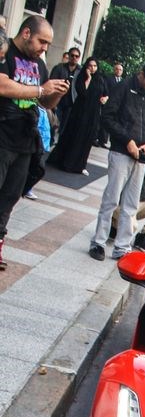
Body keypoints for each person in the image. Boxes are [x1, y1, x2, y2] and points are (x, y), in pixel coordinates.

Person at [0, 15, 69, 269]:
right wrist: (42, 90)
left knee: (10, 196)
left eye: (48, 44)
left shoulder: (39, 65)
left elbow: (43, 103)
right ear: (26, 33)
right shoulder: (5, 51)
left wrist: (55, 95)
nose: (45, 48)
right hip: (3, 135)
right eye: (42, 41)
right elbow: (3, 86)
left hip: (25, 140)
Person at [88, 58, 145, 261]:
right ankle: (98, 242)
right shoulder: (123, 87)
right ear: (142, 75)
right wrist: (127, 141)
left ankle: (122, 247)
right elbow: (108, 117)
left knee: (131, 204)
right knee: (111, 199)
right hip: (121, 152)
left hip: (142, 157)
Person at [47, 56, 108, 174]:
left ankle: (81, 164)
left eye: (95, 66)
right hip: (80, 111)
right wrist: (88, 78)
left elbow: (106, 93)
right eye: (90, 66)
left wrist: (104, 99)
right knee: (75, 134)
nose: (93, 68)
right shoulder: (82, 77)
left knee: (87, 138)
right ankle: (67, 161)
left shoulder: (101, 79)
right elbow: (82, 92)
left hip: (93, 112)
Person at [49, 45, 81, 133]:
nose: (74, 58)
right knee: (53, 123)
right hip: (58, 100)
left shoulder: (81, 71)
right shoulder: (59, 68)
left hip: (71, 102)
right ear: (69, 56)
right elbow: (52, 81)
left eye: (76, 56)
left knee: (65, 128)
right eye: (72, 55)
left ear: (79, 58)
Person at [97, 61, 124, 145]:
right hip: (106, 101)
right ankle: (98, 138)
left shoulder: (123, 81)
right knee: (103, 120)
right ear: (114, 70)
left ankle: (104, 141)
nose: (118, 71)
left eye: (120, 70)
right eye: (117, 69)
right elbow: (105, 88)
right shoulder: (108, 78)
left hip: (116, 104)